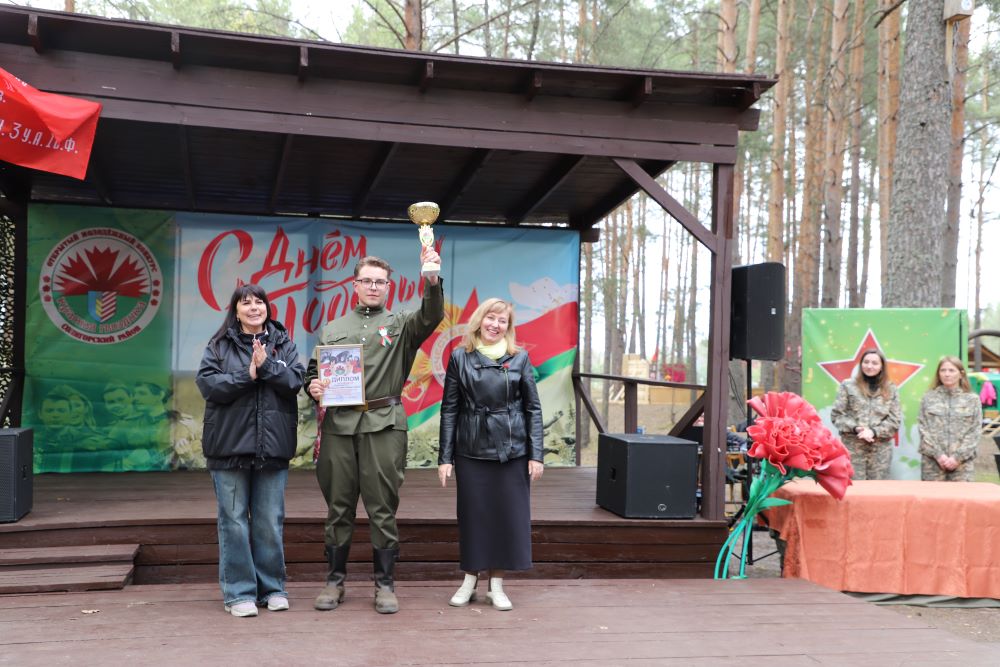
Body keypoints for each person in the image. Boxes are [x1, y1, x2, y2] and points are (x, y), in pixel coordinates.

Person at [306, 247, 443, 615]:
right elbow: (313, 372)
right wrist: (312, 386)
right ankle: (334, 581)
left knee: (382, 507)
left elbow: (432, 315)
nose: (372, 287)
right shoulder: (334, 328)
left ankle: (385, 585)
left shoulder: (402, 324)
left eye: (379, 282)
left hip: (384, 424)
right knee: (338, 506)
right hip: (339, 425)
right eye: (366, 281)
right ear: (354, 285)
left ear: (388, 287)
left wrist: (431, 278)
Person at [195, 284, 305, 617]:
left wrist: (268, 366)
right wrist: (248, 374)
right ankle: (239, 593)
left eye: (259, 302)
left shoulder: (283, 344)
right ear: (236, 311)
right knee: (234, 522)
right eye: (246, 303)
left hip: (273, 448)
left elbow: (295, 382)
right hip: (228, 448)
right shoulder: (219, 345)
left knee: (269, 522)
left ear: (267, 307)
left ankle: (272, 588)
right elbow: (208, 385)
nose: (254, 307)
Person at [437, 298, 544, 611]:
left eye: (502, 321)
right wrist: (445, 458)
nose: (495, 325)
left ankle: (496, 585)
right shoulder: (460, 356)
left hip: (511, 450)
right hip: (471, 449)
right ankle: (469, 580)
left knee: (506, 518)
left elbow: (533, 409)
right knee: (474, 517)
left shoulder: (520, 358)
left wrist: (536, 454)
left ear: (508, 327)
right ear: (479, 320)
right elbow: (450, 408)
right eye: (491, 318)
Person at [830, 348, 902, 480]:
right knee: (854, 488)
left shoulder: (891, 388)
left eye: (875, 363)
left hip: (880, 451)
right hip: (853, 447)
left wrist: (873, 432)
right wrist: (856, 428)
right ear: (861, 364)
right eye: (866, 362)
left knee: (877, 489)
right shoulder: (848, 385)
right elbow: (837, 415)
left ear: (881, 366)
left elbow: (894, 420)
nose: (869, 366)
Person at [918, 356, 982, 482]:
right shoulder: (928, 398)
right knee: (932, 495)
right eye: (943, 370)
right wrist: (938, 455)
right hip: (933, 464)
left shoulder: (972, 399)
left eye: (951, 370)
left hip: (962, 465)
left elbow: (975, 431)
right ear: (938, 374)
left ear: (961, 374)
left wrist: (957, 458)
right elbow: (923, 429)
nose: (947, 374)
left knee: (962, 495)